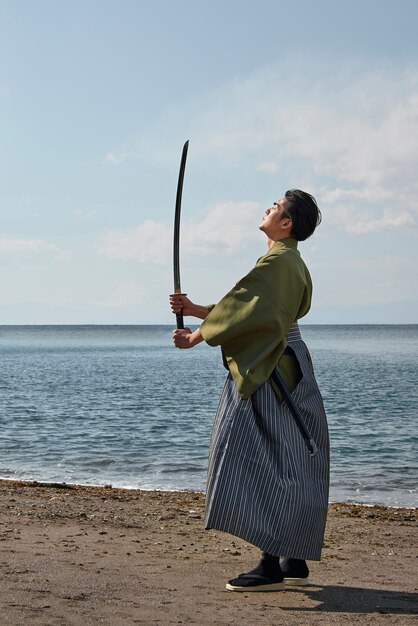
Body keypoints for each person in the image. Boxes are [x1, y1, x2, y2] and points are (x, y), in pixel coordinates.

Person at [170, 189, 329, 592]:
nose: (268, 209)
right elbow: (248, 309)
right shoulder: (290, 262)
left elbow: (250, 312)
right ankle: (293, 556)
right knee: (292, 455)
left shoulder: (279, 262)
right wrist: (197, 311)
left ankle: (270, 562)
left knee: (258, 456)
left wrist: (196, 337)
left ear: (287, 223)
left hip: (271, 366)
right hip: (290, 365)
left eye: (275, 207)